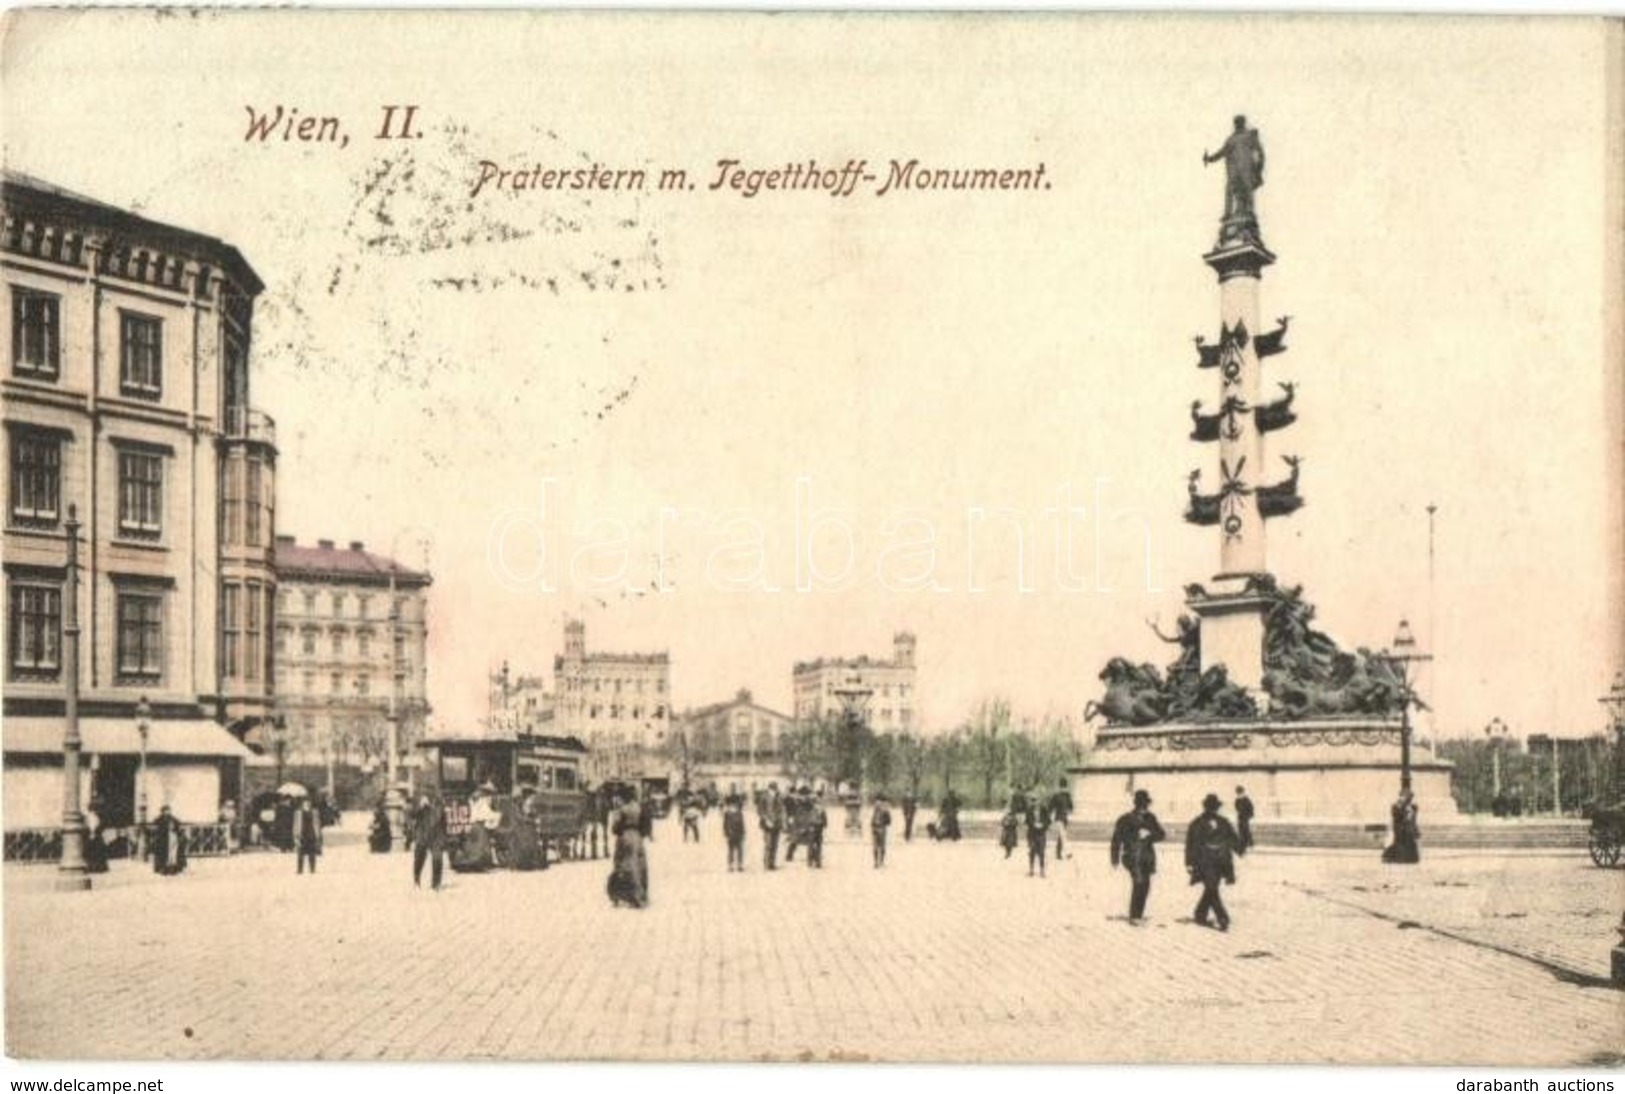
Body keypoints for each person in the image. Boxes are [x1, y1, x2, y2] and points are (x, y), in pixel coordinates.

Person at [1185, 793, 1242, 931]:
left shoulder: (1223, 822)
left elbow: (1232, 838)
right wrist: (1189, 863)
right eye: (1210, 807)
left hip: (1222, 861)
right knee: (1212, 888)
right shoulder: (1196, 823)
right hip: (1204, 861)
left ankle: (1200, 913)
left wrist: (1239, 849)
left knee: (1211, 888)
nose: (1213, 810)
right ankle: (1222, 918)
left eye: (1214, 807)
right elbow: (1190, 844)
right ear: (1205, 808)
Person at [1110, 789, 1165, 923]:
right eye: (1142, 805)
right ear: (1137, 805)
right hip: (1132, 857)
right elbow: (1116, 840)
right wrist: (1115, 858)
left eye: (1145, 805)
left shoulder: (1151, 818)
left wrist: (1150, 834)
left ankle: (1138, 914)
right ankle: (1134, 916)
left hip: (1147, 857)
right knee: (1139, 882)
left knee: (1145, 885)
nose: (1144, 808)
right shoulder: (1125, 819)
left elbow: (1161, 835)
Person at [1203, 114, 1266, 225]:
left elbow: (1260, 152)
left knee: (1246, 189)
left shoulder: (1249, 136)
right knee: (1230, 190)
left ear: (1243, 123)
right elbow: (1222, 152)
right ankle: (1228, 213)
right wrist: (1209, 159)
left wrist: (1258, 168)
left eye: (1239, 122)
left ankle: (1248, 210)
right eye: (1236, 122)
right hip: (1234, 170)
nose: (1237, 124)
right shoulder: (1231, 139)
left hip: (1246, 168)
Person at [608, 791, 650, 908]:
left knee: (623, 865)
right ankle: (642, 894)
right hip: (638, 837)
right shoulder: (639, 807)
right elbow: (646, 823)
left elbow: (615, 827)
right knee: (640, 866)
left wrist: (619, 832)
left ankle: (625, 895)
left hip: (625, 837)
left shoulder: (622, 809)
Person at [410, 791, 447, 891]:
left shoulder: (439, 804)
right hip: (422, 834)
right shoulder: (420, 803)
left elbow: (443, 821)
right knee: (419, 859)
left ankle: (436, 884)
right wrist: (420, 806)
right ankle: (416, 881)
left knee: (437, 858)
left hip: (436, 835)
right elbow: (412, 815)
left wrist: (443, 838)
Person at [1382, 789, 1421, 864]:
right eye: (1404, 797)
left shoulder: (1413, 807)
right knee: (1399, 842)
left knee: (1409, 843)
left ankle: (1408, 858)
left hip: (1408, 829)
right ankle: (1394, 857)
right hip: (1399, 828)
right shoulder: (1396, 806)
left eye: (1409, 797)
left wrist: (1415, 830)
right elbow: (1396, 817)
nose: (1406, 799)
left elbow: (1413, 819)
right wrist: (1403, 811)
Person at [150, 805, 187, 876]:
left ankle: (174, 868)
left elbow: (178, 824)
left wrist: (178, 831)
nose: (167, 812)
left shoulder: (172, 818)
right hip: (163, 840)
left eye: (168, 810)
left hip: (173, 838)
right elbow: (155, 827)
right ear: (163, 811)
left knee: (173, 854)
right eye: (166, 810)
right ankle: (163, 868)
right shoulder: (159, 819)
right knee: (164, 854)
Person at [1024, 792, 1051, 878]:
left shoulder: (1044, 809)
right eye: (1032, 800)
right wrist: (1034, 825)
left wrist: (1042, 825)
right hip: (1032, 833)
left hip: (1041, 833)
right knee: (1032, 851)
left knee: (1041, 852)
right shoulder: (1029, 810)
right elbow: (1027, 821)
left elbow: (1048, 820)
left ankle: (1042, 870)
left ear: (1039, 801)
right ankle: (1031, 869)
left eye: (1035, 800)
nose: (1034, 802)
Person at [293, 797, 323, 874]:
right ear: (302, 805)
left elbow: (318, 824)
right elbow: (295, 825)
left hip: (312, 835)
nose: (307, 805)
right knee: (300, 853)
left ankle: (312, 869)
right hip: (301, 834)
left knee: (312, 853)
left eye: (309, 804)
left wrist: (319, 836)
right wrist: (295, 835)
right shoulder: (298, 813)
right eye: (305, 804)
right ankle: (300, 870)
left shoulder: (315, 813)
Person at [759, 783, 785, 870]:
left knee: (775, 844)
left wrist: (782, 821)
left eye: (775, 789)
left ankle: (772, 863)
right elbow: (760, 810)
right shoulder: (764, 797)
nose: (775, 791)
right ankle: (766, 863)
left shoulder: (779, 797)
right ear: (769, 789)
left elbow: (782, 810)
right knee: (768, 844)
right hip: (768, 824)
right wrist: (766, 820)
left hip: (777, 824)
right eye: (773, 789)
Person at [1048, 778, 1074, 860]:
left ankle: (1058, 853)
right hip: (1062, 818)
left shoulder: (1058, 796)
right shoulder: (1067, 796)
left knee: (1061, 836)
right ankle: (1067, 852)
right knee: (1063, 835)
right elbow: (1071, 807)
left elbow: (1050, 807)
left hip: (1060, 817)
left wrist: (1050, 815)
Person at [805, 790, 829, 869]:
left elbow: (824, 816)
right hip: (812, 826)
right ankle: (810, 861)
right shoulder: (810, 807)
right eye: (818, 800)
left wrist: (825, 824)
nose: (820, 801)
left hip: (819, 826)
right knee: (811, 844)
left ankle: (817, 861)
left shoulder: (821, 808)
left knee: (818, 844)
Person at [723, 795, 747, 872]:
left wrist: (743, 833)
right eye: (732, 804)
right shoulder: (727, 814)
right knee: (731, 850)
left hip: (739, 833)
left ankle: (740, 864)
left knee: (740, 850)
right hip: (731, 834)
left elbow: (742, 824)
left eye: (735, 804)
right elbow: (725, 824)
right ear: (729, 805)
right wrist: (726, 833)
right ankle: (730, 865)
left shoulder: (739, 813)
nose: (734, 806)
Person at [870, 795, 892, 868]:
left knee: (876, 846)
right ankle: (881, 862)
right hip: (881, 828)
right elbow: (889, 821)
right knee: (882, 846)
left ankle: (876, 862)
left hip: (874, 828)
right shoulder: (885, 808)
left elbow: (872, 819)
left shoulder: (875, 807)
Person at [1234, 786, 1255, 853]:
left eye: (1240, 793)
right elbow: (1236, 807)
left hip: (1245, 817)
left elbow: (1251, 808)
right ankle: (1244, 845)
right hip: (1240, 817)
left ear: (1243, 792)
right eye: (1238, 793)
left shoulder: (1246, 800)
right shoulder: (1237, 800)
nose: (1239, 795)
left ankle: (1250, 845)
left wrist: (1249, 815)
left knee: (1246, 831)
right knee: (1241, 832)